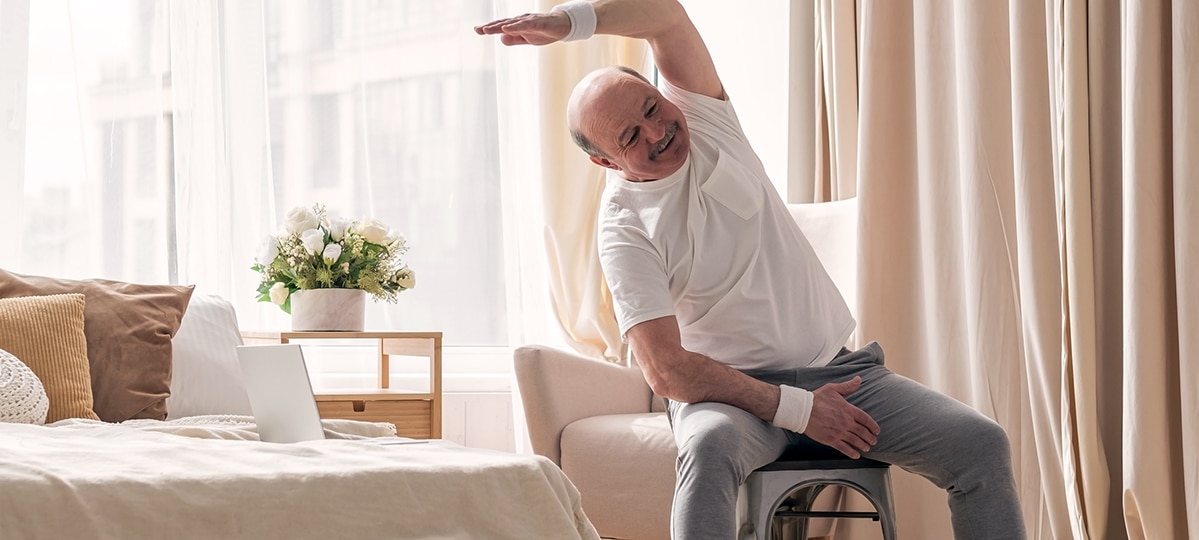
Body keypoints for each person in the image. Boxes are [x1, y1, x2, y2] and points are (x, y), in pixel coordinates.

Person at [476, 1, 1027, 538]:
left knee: (981, 445)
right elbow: (666, 372)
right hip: (732, 401)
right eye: (629, 137)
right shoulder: (624, 228)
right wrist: (798, 410)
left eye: (651, 108)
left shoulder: (703, 118)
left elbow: (665, 15)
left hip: (839, 374)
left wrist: (569, 21)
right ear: (605, 161)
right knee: (708, 448)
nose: (656, 131)